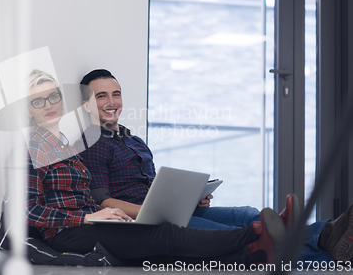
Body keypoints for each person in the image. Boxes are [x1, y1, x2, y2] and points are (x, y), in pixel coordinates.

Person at [74, 68, 353, 263]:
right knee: (244, 236)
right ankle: (329, 249)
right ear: (87, 105)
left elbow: (152, 187)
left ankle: (326, 235)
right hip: (149, 222)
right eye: (101, 96)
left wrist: (191, 199)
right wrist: (150, 213)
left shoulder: (132, 140)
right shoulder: (91, 143)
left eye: (116, 94)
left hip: (170, 213)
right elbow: (103, 201)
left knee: (248, 214)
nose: (112, 102)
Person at [25, 69, 286, 266]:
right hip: (70, 233)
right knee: (165, 236)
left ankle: (256, 252)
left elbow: (84, 198)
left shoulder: (66, 148)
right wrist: (88, 216)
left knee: (169, 250)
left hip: (93, 224)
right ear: (28, 109)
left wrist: (107, 213)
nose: (48, 105)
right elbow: (29, 211)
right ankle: (254, 236)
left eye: (53, 97)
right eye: (38, 101)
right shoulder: (34, 149)